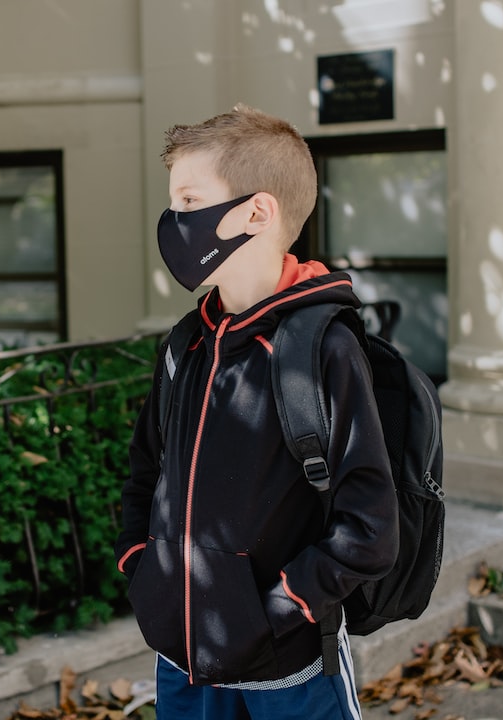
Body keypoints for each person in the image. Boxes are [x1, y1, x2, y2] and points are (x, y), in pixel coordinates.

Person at [114, 104, 399, 720]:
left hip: (290, 670)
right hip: (181, 657)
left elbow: (370, 528)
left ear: (257, 211)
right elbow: (145, 473)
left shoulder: (322, 348)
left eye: (190, 202)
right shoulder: (186, 343)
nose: (174, 221)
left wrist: (277, 608)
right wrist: (144, 571)